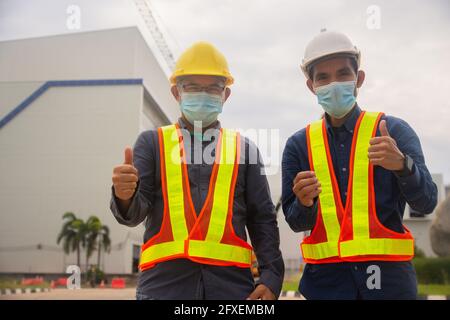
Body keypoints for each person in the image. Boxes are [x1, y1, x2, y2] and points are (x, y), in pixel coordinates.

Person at [110, 41, 284, 300]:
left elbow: (262, 220)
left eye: (213, 88)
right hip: (163, 288)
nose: (203, 94)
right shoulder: (152, 144)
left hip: (233, 290)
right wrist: (124, 196)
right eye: (192, 87)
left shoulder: (244, 150)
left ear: (225, 95)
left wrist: (271, 278)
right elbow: (134, 214)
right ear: (176, 93)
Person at [281, 30, 438, 300]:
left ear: (359, 79)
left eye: (343, 74)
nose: (334, 83)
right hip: (325, 289)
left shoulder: (393, 132)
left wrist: (402, 166)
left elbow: (427, 203)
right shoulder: (299, 145)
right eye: (323, 77)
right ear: (311, 86)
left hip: (390, 289)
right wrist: (305, 203)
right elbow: (295, 222)